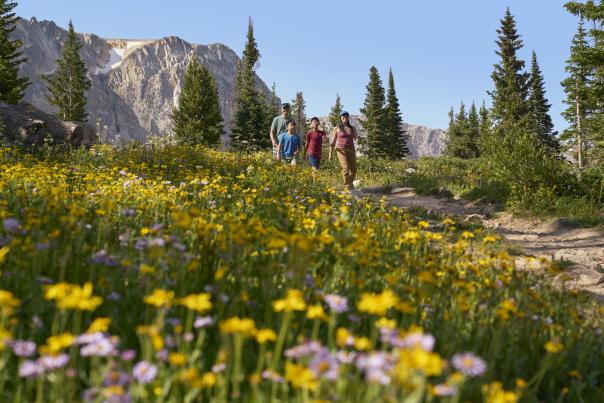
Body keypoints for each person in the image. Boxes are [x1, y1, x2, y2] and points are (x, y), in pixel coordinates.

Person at [329, 111, 359, 191]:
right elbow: (333, 141)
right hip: (340, 149)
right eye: (342, 116)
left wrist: (358, 137)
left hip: (351, 149)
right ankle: (346, 187)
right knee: (345, 168)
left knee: (353, 170)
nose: (344, 117)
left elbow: (356, 136)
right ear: (340, 118)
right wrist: (330, 154)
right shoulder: (337, 128)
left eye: (346, 116)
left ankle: (350, 184)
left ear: (348, 117)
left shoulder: (352, 128)